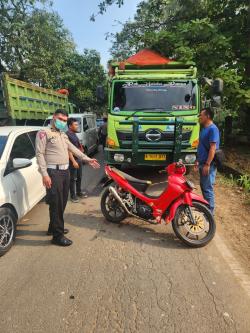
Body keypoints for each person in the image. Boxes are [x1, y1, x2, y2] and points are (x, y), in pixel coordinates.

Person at [36, 109, 100, 247]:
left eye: (65, 120)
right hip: (53, 172)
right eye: (61, 119)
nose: (63, 122)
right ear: (54, 117)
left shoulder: (63, 135)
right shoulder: (44, 133)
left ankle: (53, 227)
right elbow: (39, 154)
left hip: (65, 172)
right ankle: (57, 236)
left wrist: (88, 159)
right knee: (56, 203)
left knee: (62, 202)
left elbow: (73, 149)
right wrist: (44, 174)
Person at [196, 107, 220, 215]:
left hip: (208, 164)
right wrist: (197, 160)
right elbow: (201, 146)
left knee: (208, 188)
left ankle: (210, 213)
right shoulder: (204, 128)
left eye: (201, 115)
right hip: (202, 162)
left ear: (207, 116)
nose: (199, 117)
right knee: (203, 186)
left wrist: (207, 164)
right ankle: (207, 209)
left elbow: (212, 148)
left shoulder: (213, 129)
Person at [67, 118, 87, 203]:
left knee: (79, 177)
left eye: (77, 124)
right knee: (73, 178)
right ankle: (73, 195)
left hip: (78, 159)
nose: (77, 126)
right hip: (73, 160)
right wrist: (73, 161)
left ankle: (79, 192)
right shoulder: (67, 135)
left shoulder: (74, 134)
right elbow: (69, 149)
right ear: (70, 126)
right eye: (75, 125)